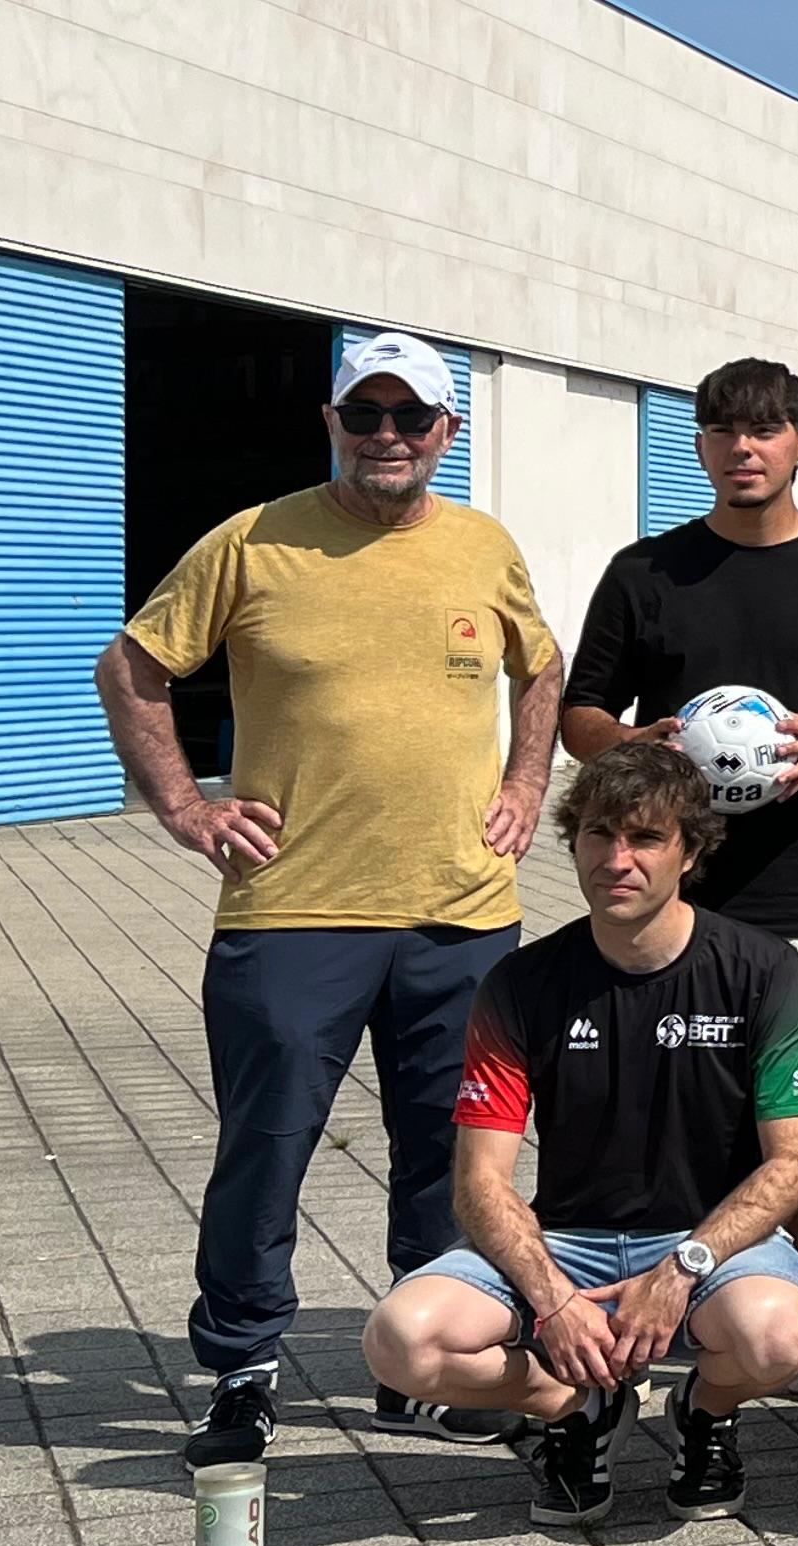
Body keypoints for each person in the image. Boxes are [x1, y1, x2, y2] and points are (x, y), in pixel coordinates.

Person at [97, 331, 564, 1467]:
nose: (390, 437)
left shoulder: (482, 547)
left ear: (448, 433)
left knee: (450, 1153)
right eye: (369, 417)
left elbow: (541, 668)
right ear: (332, 423)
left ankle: (429, 1356)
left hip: (460, 910)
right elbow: (133, 667)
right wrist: (185, 809)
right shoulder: (253, 544)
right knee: (267, 1144)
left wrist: (522, 784)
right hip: (292, 911)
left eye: (414, 419)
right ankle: (244, 1366)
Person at [562, 358, 798, 1410]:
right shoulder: (649, 573)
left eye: (767, 430)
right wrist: (634, 740)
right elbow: (582, 713)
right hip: (668, 890)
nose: (745, 447)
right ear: (702, 446)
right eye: (724, 430)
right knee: (661, 1094)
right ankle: (647, 1293)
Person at [360, 745, 798, 1526]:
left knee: (781, 1338)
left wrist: (681, 1268)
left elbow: (794, 1165)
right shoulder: (521, 983)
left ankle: (703, 1413)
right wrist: (553, 1305)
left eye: (646, 839)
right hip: (569, 1240)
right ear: (573, 842)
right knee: (401, 1343)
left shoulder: (764, 970)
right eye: (598, 835)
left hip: (707, 1240)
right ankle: (575, 1409)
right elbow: (479, 1183)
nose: (618, 860)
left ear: (692, 850)